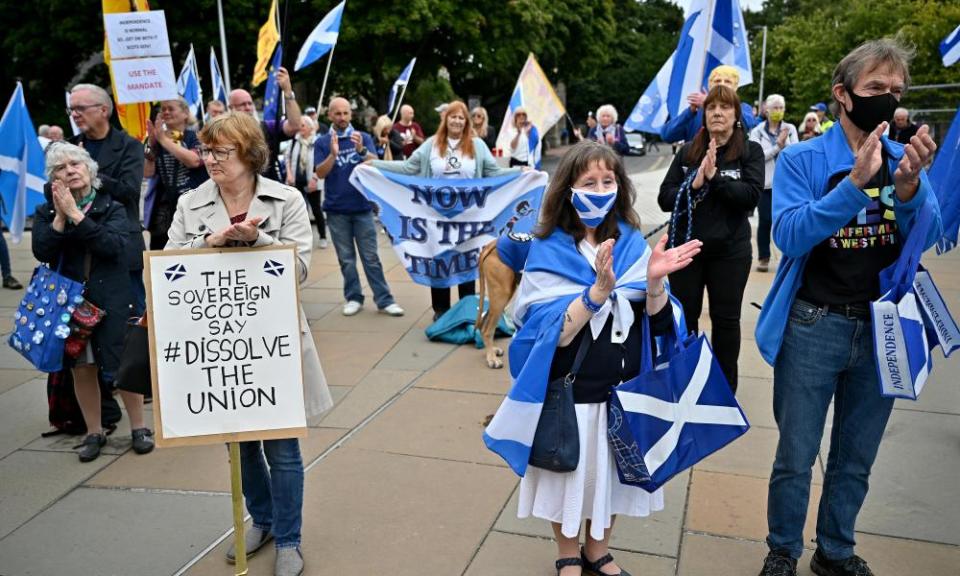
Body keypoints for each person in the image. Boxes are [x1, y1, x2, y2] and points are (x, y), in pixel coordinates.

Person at [755, 39, 941, 576]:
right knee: (795, 455)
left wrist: (907, 191)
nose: (889, 99)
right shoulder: (803, 158)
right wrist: (857, 184)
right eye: (876, 89)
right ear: (843, 95)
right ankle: (782, 550)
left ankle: (834, 550)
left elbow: (924, 235)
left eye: (897, 90)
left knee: (855, 457)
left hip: (883, 328)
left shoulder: (905, 155)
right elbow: (789, 234)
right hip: (813, 325)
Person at [484, 140, 702, 576]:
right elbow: (551, 334)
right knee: (566, 472)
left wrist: (655, 284)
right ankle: (568, 552)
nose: (600, 189)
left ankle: (598, 549)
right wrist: (597, 293)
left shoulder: (633, 243)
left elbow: (660, 325)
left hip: (623, 387)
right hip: (573, 390)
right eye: (589, 182)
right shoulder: (548, 248)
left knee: (614, 476)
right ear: (568, 189)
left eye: (608, 180)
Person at [165, 112, 334, 576]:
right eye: (207, 151)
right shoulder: (191, 203)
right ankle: (262, 519)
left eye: (222, 151)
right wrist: (211, 242)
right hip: (219, 346)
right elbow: (169, 267)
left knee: (282, 447)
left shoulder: (288, 200)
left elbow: (300, 271)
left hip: (271, 345)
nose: (211, 159)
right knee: (239, 446)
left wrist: (259, 240)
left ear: (249, 153)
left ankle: (290, 539)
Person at [33, 143, 154, 462]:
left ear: (90, 171)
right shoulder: (46, 211)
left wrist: (75, 214)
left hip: (113, 298)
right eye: (60, 168)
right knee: (82, 367)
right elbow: (42, 251)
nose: (70, 170)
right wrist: (60, 218)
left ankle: (139, 428)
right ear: (53, 179)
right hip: (71, 301)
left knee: (122, 365)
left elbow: (113, 246)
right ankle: (94, 431)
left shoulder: (111, 206)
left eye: (76, 164)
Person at [658, 85, 764, 394]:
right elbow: (666, 198)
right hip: (687, 250)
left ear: (736, 116)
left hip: (730, 253)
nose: (717, 112)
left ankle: (723, 389)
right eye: (712, 107)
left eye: (725, 107)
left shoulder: (749, 152)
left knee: (726, 320)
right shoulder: (688, 151)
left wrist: (715, 178)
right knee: (685, 319)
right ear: (704, 115)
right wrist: (695, 182)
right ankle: (685, 383)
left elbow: (750, 197)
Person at [373, 100, 519, 319]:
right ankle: (440, 311)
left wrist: (520, 172)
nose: (457, 121)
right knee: (439, 261)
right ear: (446, 119)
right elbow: (408, 168)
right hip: (436, 217)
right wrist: (374, 164)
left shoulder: (477, 145)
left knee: (467, 261)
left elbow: (493, 172)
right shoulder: (432, 144)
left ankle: (467, 309)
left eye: (461, 117)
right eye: (453, 116)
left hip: (468, 217)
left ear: (466, 122)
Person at [314, 97, 404, 317]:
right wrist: (333, 155)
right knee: (346, 259)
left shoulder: (361, 137)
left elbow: (375, 164)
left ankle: (385, 300)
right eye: (338, 113)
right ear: (330, 115)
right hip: (336, 210)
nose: (342, 117)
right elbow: (320, 173)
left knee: (371, 257)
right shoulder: (323, 142)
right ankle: (353, 297)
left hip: (362, 207)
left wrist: (362, 150)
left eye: (346, 113)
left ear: (351, 114)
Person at [67, 84, 146, 315]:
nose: (74, 114)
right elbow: (51, 190)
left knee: (130, 324)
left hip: (119, 246)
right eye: (71, 109)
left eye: (80, 108)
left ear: (103, 110)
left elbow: (128, 191)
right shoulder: (69, 147)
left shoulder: (129, 146)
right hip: (78, 249)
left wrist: (87, 173)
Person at [144, 98, 208, 250]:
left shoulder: (197, 136)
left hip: (195, 204)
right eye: (163, 109)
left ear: (185, 113)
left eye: (170, 109)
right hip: (165, 210)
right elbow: (147, 172)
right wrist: (151, 146)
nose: (166, 112)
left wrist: (163, 140)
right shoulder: (156, 137)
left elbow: (193, 161)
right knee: (162, 253)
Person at [749, 94, 799, 272]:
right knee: (766, 220)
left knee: (787, 220)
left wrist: (784, 145)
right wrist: (777, 146)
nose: (778, 111)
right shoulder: (757, 131)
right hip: (766, 185)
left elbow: (796, 153)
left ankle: (790, 256)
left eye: (781, 107)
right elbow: (757, 156)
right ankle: (763, 257)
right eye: (775, 107)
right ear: (766, 110)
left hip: (786, 185)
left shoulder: (790, 129)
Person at [227, 66, 302, 182]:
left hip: (268, 189)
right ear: (231, 108)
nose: (248, 108)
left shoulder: (266, 127)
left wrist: (287, 92)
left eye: (249, 104)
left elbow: (295, 125)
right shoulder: (224, 133)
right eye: (242, 104)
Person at [660, 65, 759, 144]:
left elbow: (745, 125)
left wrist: (709, 103)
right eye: (717, 81)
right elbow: (667, 135)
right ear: (710, 85)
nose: (722, 84)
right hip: (698, 166)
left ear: (735, 87)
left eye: (728, 81)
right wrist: (689, 113)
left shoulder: (743, 108)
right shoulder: (695, 113)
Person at [284, 116, 327, 249]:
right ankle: (300, 238)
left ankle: (323, 236)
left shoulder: (317, 141)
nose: (300, 128)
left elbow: (320, 163)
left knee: (316, 210)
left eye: (303, 125)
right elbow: (287, 158)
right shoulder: (294, 141)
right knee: (298, 211)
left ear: (310, 127)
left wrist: (315, 179)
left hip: (313, 181)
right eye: (299, 125)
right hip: (296, 181)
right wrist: (289, 174)